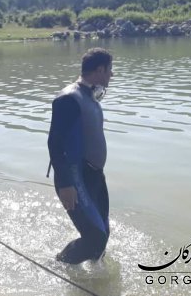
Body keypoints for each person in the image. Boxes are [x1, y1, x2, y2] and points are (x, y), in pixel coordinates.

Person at [47, 47, 114, 264]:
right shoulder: (69, 98)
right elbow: (55, 144)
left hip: (94, 175)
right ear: (100, 69)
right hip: (75, 177)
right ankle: (58, 265)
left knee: (103, 234)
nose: (112, 75)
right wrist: (66, 183)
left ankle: (95, 281)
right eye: (109, 70)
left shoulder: (90, 94)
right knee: (95, 238)